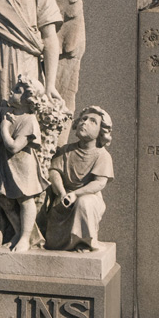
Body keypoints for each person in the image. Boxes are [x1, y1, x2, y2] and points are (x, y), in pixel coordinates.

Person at [45, 106, 114, 251]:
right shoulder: (66, 150)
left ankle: (84, 243)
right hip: (64, 195)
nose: (85, 122)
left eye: (92, 121)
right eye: (83, 119)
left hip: (89, 197)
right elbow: (54, 171)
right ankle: (60, 243)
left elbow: (100, 183)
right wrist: (62, 193)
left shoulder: (102, 155)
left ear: (101, 132)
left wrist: (76, 194)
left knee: (84, 203)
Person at [0, 75, 48, 252]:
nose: (12, 91)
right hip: (7, 166)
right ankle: (19, 232)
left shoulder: (29, 120)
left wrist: (4, 128)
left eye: (18, 90)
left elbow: (13, 147)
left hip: (23, 167)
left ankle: (26, 238)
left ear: (28, 99)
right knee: (5, 200)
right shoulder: (9, 113)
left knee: (25, 200)